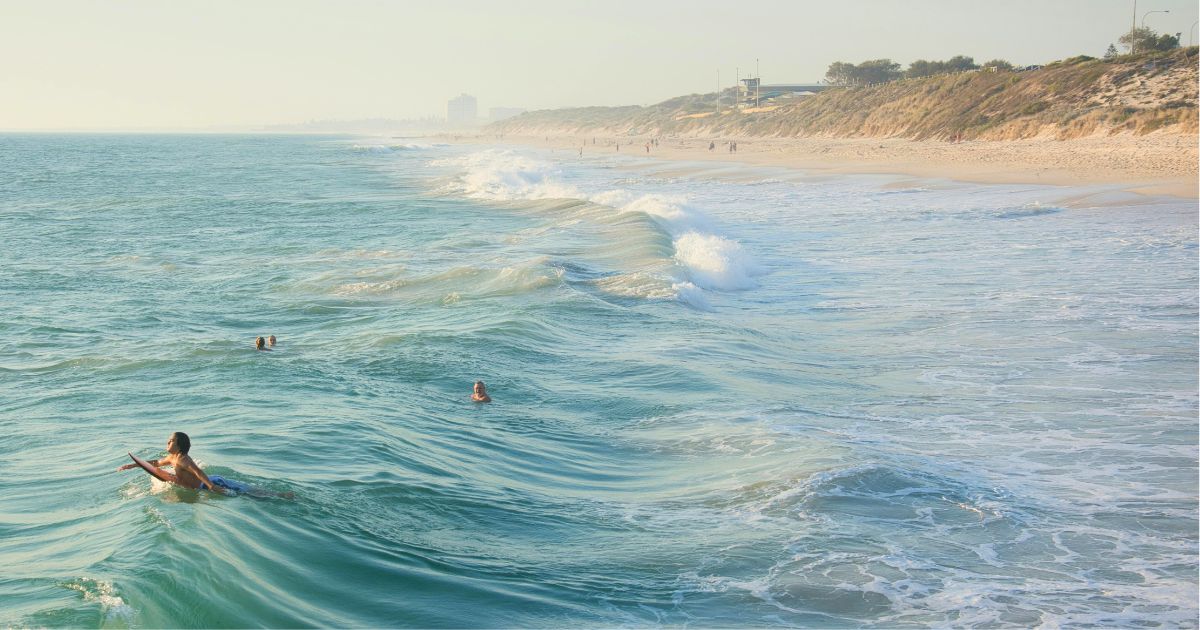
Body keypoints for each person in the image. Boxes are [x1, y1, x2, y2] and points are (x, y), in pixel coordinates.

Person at [118, 432, 292, 498]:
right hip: (203, 486)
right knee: (246, 492)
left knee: (248, 493)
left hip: (211, 483)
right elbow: (156, 463)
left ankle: (281, 495)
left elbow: (198, 471)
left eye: (170, 441)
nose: (167, 442)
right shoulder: (172, 458)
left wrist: (212, 487)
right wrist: (134, 465)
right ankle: (277, 494)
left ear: (178, 446)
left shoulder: (184, 460)